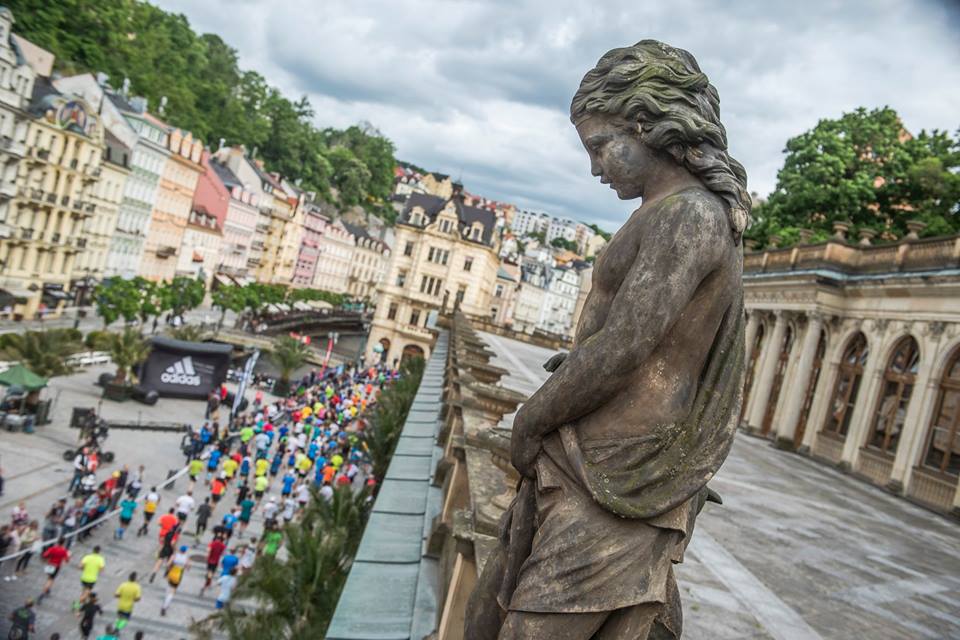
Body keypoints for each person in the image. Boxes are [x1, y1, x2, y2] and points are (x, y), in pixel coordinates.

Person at [160, 545, 189, 616]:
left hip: (171, 573)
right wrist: (184, 566)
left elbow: (168, 564)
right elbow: (188, 567)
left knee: (169, 586)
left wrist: (170, 567)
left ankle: (165, 599)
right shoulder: (186, 558)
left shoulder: (174, 556)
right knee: (173, 591)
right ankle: (165, 606)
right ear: (185, 551)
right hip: (178, 575)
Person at [38, 537, 70, 602]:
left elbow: (44, 555)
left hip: (50, 564)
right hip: (56, 566)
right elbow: (67, 560)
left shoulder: (52, 548)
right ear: (63, 543)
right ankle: (43, 593)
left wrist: (47, 559)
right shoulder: (64, 550)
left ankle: (48, 590)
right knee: (50, 580)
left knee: (49, 578)